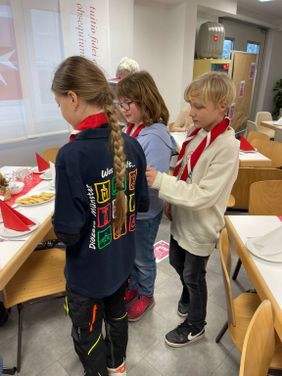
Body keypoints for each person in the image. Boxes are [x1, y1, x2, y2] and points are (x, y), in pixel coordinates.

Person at [51, 56, 149, 376]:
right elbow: (142, 205)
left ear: (73, 98)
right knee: (117, 319)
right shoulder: (132, 145)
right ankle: (117, 368)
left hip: (88, 277)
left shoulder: (71, 155)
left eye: (59, 102)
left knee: (87, 335)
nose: (60, 109)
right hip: (121, 265)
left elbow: (68, 232)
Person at [146, 72, 239, 347]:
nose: (191, 112)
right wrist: (172, 201)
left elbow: (204, 194)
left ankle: (196, 325)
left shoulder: (226, 147)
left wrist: (161, 182)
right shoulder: (197, 134)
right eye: (190, 104)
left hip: (201, 226)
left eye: (198, 106)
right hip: (183, 219)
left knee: (194, 277)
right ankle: (188, 296)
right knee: (177, 262)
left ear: (222, 105)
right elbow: (185, 174)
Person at [116, 71, 176, 321]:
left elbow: (151, 180)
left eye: (128, 102)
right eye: (121, 104)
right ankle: (134, 287)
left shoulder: (155, 136)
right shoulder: (133, 130)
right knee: (131, 254)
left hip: (145, 211)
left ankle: (146, 294)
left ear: (144, 99)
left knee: (142, 256)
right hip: (130, 208)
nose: (123, 109)